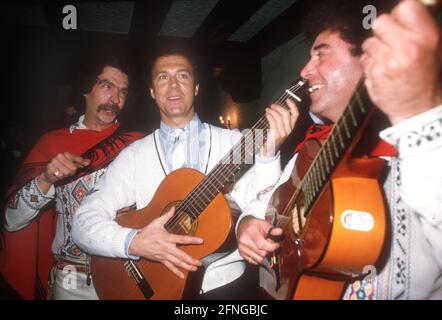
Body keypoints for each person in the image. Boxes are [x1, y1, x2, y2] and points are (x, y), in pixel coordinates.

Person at [236, 0, 442, 300]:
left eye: (321, 54)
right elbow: (268, 207)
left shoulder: (426, 137)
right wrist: (246, 226)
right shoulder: (310, 153)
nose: (305, 71)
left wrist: (417, 114)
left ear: (370, 56)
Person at [72, 46, 299, 299]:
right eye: (162, 77)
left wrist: (268, 156)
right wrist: (135, 242)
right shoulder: (133, 156)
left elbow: (263, 211)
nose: (173, 86)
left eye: (182, 76)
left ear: (196, 88)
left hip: (225, 289)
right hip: (153, 287)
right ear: (151, 92)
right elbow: (82, 223)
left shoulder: (235, 144)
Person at [1, 56, 144, 299]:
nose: (115, 99)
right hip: (72, 281)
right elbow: (11, 221)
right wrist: (46, 178)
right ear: (86, 90)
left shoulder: (138, 143)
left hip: (127, 274)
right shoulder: (53, 143)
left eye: (122, 91)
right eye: (106, 86)